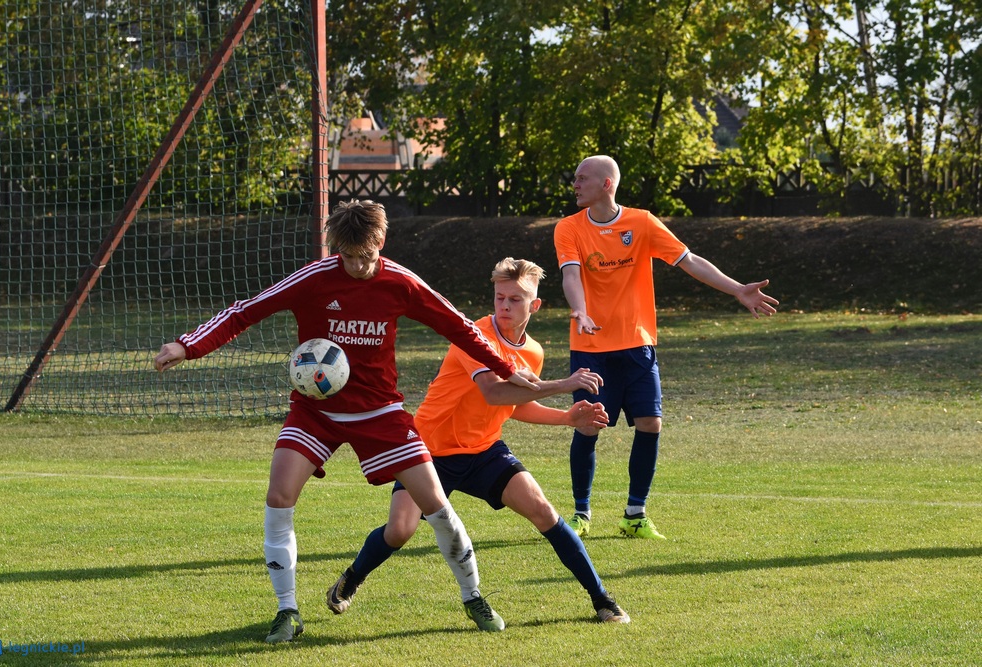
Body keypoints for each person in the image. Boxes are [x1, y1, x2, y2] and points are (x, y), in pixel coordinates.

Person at [153, 200, 541, 641]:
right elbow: (247, 310)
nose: (356, 265)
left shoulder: (401, 283)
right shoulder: (315, 278)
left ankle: (473, 597)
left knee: (434, 503)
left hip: (380, 411)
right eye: (347, 256)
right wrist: (188, 346)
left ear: (381, 244)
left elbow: (459, 327)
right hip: (315, 410)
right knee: (279, 494)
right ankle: (287, 612)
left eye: (365, 256)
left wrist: (509, 368)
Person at [325, 257, 631, 624]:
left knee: (544, 512)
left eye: (515, 299)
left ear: (535, 305)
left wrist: (567, 419)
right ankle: (350, 579)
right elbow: (494, 393)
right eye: (500, 297)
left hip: (485, 451)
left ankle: (602, 600)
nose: (504, 305)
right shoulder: (473, 335)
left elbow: (515, 405)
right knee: (400, 530)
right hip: (429, 452)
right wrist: (564, 385)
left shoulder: (532, 351)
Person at [555, 155, 779, 540]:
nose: (574, 184)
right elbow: (571, 274)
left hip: (638, 344)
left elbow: (690, 261)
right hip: (590, 346)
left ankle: (635, 515)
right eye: (574, 178)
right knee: (589, 425)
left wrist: (738, 289)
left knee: (650, 423)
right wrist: (579, 309)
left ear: (607, 184)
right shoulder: (568, 228)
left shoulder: (641, 222)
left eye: (582, 178)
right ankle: (581, 515)